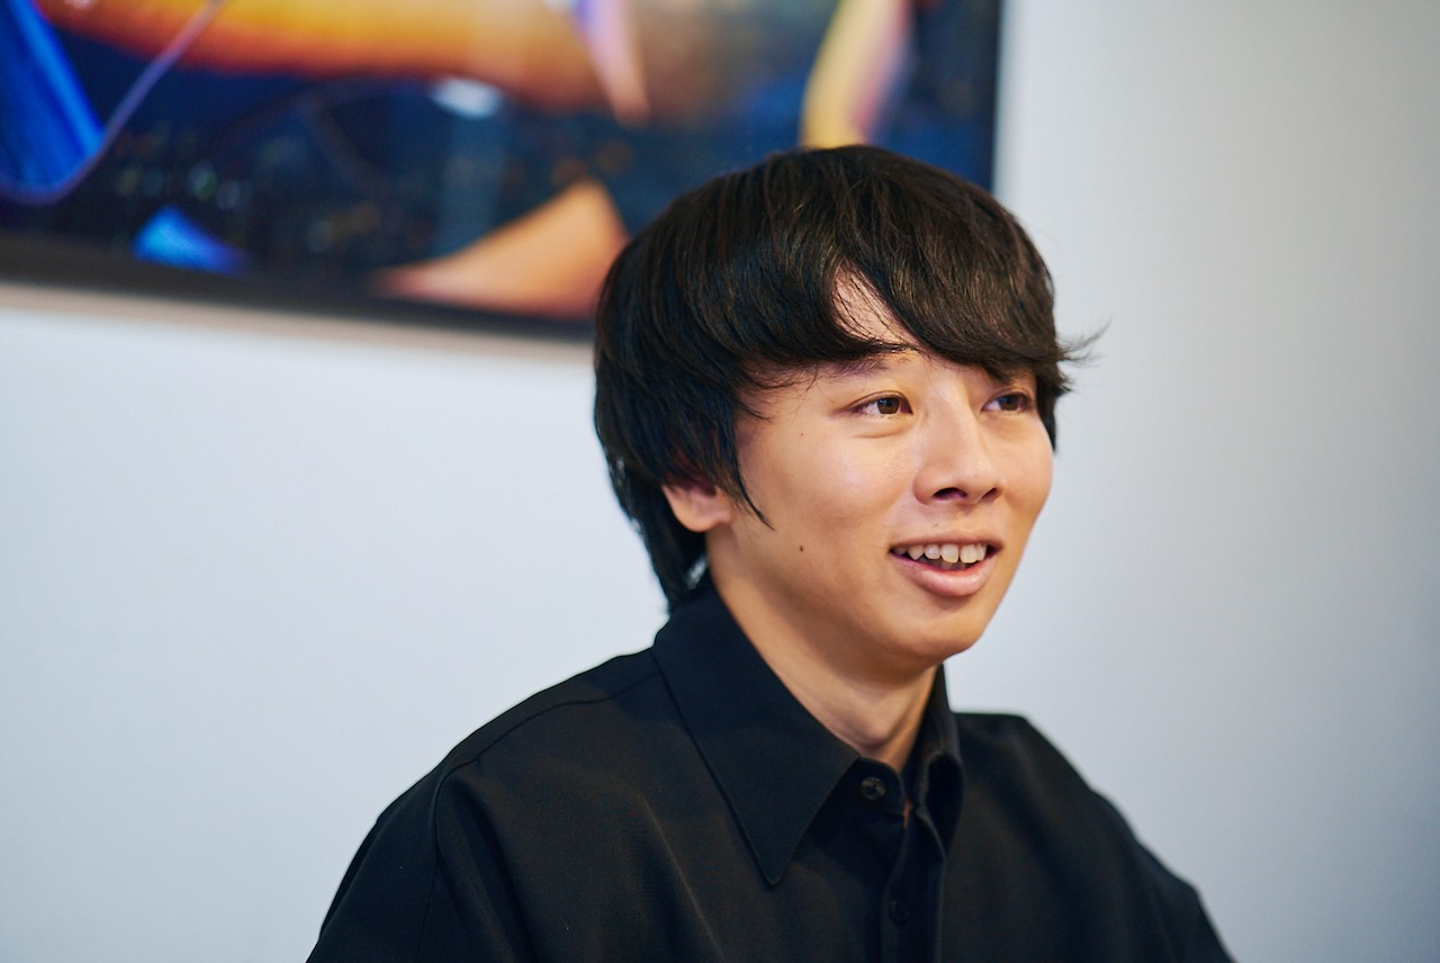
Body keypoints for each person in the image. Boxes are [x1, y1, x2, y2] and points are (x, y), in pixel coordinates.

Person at [306, 145, 1232, 961]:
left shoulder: (1057, 823)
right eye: (884, 403)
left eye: (1008, 401)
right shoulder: (508, 834)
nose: (972, 470)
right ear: (694, 471)